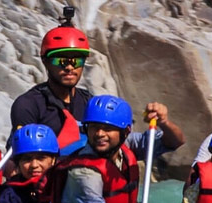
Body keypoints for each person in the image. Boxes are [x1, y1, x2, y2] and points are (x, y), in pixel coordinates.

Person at [10, 9, 184, 157]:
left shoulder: (89, 103)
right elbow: (17, 161)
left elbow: (175, 142)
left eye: (77, 61)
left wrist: (163, 122)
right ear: (46, 62)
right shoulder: (29, 105)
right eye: (61, 61)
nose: (70, 67)